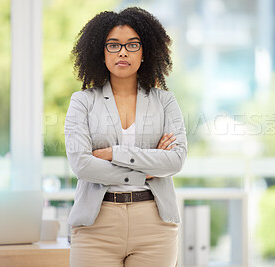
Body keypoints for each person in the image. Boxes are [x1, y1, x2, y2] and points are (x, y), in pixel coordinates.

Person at [64, 7, 188, 267]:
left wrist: (113, 154)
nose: (123, 52)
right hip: (96, 225)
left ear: (146, 52)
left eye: (132, 45)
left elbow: (175, 160)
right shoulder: (82, 102)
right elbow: (82, 165)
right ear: (101, 52)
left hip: (154, 225)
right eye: (113, 45)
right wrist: (147, 170)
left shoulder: (165, 101)